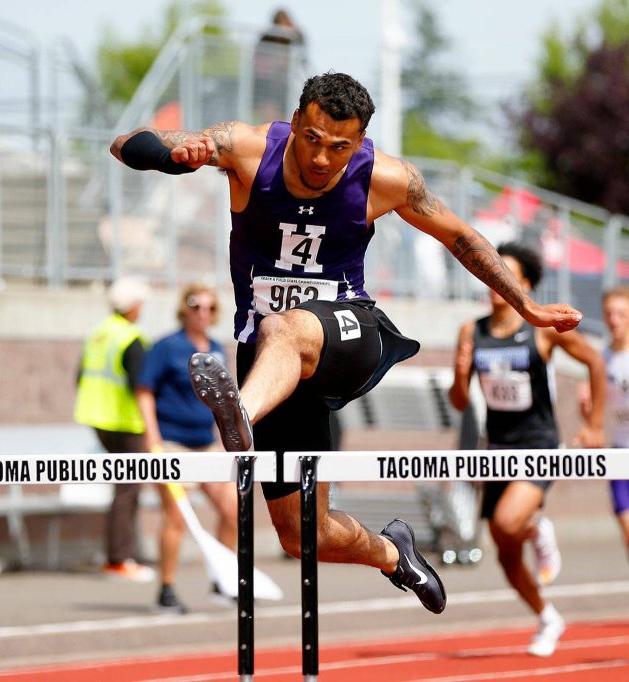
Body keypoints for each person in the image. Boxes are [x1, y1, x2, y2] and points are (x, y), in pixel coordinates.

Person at [109, 71, 586, 619]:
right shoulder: (244, 148)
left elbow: (460, 236)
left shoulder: (385, 178)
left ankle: (238, 412)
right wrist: (177, 155)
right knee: (302, 535)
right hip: (271, 367)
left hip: (349, 332)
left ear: (360, 143)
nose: (320, 159)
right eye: (311, 139)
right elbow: (126, 145)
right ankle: (395, 554)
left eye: (340, 148)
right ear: (294, 124)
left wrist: (524, 304)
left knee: (287, 326)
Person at [448, 242, 605, 656]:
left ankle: (536, 526)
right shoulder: (472, 331)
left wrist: (594, 424)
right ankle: (547, 615)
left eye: (509, 276)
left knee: (505, 522)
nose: (497, 283)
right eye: (493, 274)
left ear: (527, 285)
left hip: (538, 445)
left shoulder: (539, 329)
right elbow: (460, 402)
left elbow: (594, 361)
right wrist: (461, 374)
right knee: (505, 554)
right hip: (496, 447)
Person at [135, 283, 236, 613]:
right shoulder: (166, 346)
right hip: (172, 445)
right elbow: (145, 391)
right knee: (176, 516)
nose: (202, 313)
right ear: (184, 309)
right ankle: (166, 590)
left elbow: (223, 398)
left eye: (209, 307)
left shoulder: (216, 349)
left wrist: (226, 438)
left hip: (206, 445)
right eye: (196, 306)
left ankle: (224, 582)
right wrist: (153, 439)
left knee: (233, 509)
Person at [74, 277, 156, 583]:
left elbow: (79, 377)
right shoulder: (131, 337)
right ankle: (119, 559)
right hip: (125, 422)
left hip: (97, 419)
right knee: (127, 490)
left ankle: (124, 553)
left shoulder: (98, 333)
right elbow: (141, 387)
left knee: (122, 488)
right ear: (133, 307)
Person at [586, 287, 629, 559]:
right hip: (619, 457)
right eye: (609, 314)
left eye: (621, 314)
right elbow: (594, 419)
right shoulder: (600, 361)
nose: (614, 320)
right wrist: (587, 412)